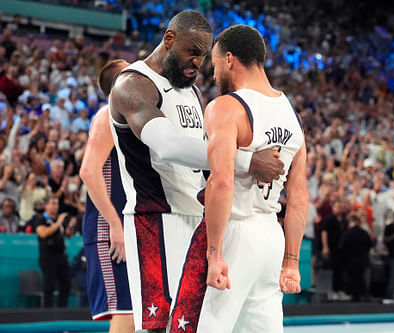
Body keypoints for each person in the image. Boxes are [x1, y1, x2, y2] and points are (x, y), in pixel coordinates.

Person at [109, 11, 283, 332]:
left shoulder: (191, 91)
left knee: (192, 323)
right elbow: (168, 146)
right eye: (193, 51)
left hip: (196, 218)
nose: (198, 62)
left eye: (204, 56)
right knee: (157, 326)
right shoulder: (133, 85)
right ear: (169, 39)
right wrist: (246, 160)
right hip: (155, 220)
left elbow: (207, 162)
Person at [197, 24, 308, 333]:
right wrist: (291, 262)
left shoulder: (226, 107)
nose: (215, 74)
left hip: (236, 233)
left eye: (216, 64)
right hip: (271, 238)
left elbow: (221, 182)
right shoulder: (292, 117)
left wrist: (215, 254)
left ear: (230, 59)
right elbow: (298, 197)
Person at [79, 59, 134, 332]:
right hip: (110, 227)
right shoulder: (107, 115)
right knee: (126, 313)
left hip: (128, 224)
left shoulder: (130, 117)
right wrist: (115, 225)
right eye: (132, 71)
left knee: (140, 315)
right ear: (121, 83)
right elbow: (88, 172)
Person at [32, 196, 72, 308]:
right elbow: (43, 233)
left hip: (61, 256)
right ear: (46, 206)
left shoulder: (58, 220)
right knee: (49, 286)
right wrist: (58, 223)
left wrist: (71, 226)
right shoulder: (40, 218)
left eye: (57, 203)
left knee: (66, 285)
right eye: (53, 203)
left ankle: (62, 312)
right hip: (48, 257)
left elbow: (68, 234)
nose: (56, 206)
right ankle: (47, 314)